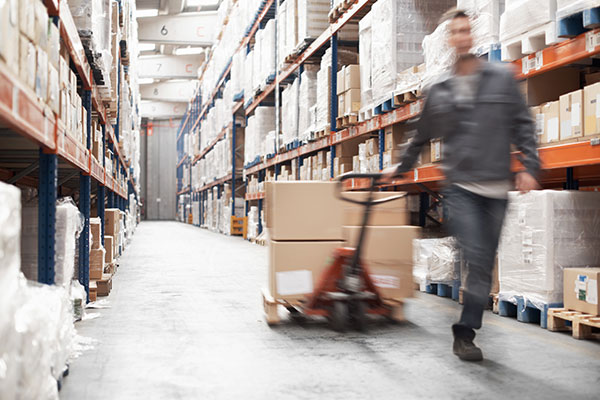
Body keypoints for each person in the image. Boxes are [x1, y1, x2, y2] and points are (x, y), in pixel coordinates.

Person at [382, 8, 541, 361]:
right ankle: (464, 334)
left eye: (466, 30)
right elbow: (419, 137)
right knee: (477, 256)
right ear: (450, 40)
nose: (462, 36)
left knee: (483, 267)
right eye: (455, 31)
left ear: (473, 35)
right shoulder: (439, 90)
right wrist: (399, 169)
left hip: (498, 188)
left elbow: (523, 125)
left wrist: (530, 165)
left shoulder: (502, 78)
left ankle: (467, 328)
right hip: (462, 189)